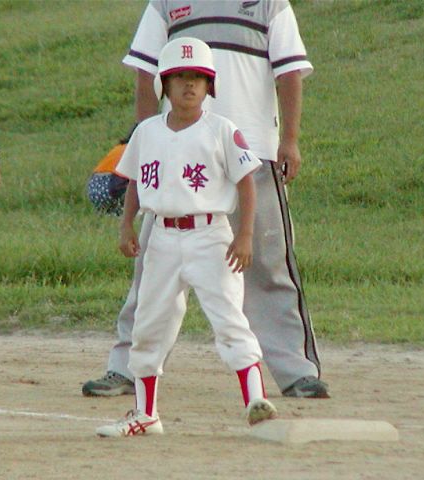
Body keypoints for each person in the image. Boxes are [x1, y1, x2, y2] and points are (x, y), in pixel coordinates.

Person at [83, 0, 329, 399]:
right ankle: (127, 367)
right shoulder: (166, 3)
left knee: (268, 264)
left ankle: (296, 371)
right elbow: (146, 73)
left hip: (253, 148)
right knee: (151, 263)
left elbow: (289, 73)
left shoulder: (270, 4)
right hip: (177, 150)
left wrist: (290, 140)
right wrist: (146, 138)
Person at [96, 37, 277, 437]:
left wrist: (245, 234)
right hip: (161, 236)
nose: (190, 84)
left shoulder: (222, 129)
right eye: (180, 77)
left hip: (211, 236)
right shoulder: (147, 131)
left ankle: (256, 401)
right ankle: (146, 414)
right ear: (164, 83)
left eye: (198, 77)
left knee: (228, 317)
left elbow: (246, 181)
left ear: (210, 85)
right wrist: (127, 225)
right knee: (149, 323)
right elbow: (134, 181)